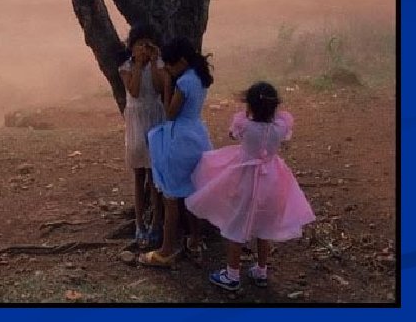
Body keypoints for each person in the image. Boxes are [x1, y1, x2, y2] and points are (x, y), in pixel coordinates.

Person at [185, 81, 316, 291]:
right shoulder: (280, 127)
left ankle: (232, 275)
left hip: (245, 178)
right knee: (265, 227)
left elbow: (233, 134)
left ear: (250, 106)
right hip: (272, 180)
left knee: (236, 225)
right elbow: (283, 132)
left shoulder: (244, 125)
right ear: (275, 107)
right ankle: (261, 270)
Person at [139, 37, 214, 266]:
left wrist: (168, 82)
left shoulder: (183, 82)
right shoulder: (199, 77)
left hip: (179, 139)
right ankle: (195, 240)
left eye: (171, 66)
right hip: (197, 135)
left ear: (181, 61)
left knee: (171, 198)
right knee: (191, 192)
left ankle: (166, 250)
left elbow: (170, 113)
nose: (169, 69)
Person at [118, 24, 167, 247]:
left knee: (155, 175)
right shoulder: (126, 67)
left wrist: (154, 62)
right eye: (139, 45)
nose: (143, 49)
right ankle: (139, 224)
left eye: (147, 45)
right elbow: (134, 90)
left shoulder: (159, 64)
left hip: (155, 118)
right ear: (132, 46)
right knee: (139, 175)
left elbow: (158, 88)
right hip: (137, 121)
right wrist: (138, 63)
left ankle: (157, 223)